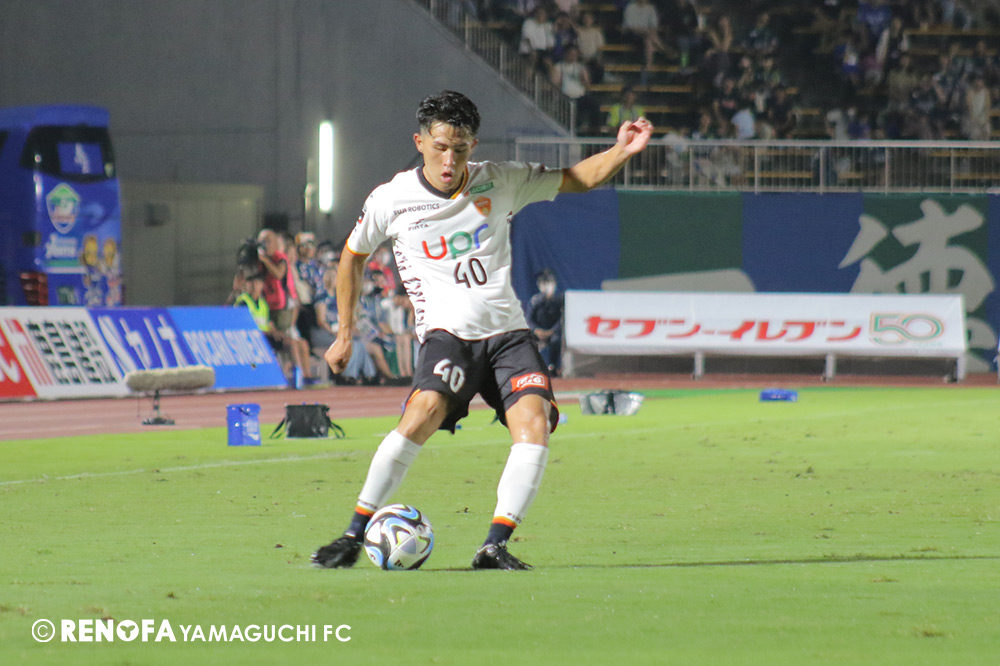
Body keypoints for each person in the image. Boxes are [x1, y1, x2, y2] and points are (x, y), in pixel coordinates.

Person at [313, 90, 653, 571]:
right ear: (420, 142)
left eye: (460, 149)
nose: (449, 160)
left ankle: (494, 545)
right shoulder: (391, 200)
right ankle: (352, 534)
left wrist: (622, 150)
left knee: (535, 424)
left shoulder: (501, 179)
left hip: (508, 335)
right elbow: (352, 256)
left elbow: (578, 178)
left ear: (473, 145)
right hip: (448, 337)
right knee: (422, 413)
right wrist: (345, 333)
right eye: (439, 148)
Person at [527, 269, 564, 375]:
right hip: (538, 332)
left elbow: (561, 320)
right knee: (527, 340)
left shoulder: (558, 301)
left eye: (550, 283)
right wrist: (536, 330)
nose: (548, 286)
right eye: (544, 283)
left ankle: (553, 366)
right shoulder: (535, 300)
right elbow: (529, 319)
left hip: (552, 333)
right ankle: (531, 367)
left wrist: (551, 331)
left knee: (556, 340)